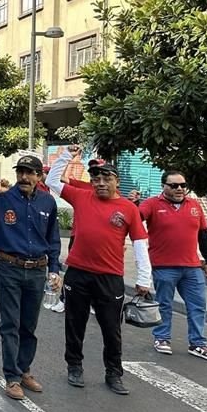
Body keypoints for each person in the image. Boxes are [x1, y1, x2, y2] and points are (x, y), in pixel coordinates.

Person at [47, 148, 152, 395]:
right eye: (96, 179)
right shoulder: (81, 196)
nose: (101, 183)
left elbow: (139, 243)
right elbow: (51, 180)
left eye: (107, 179)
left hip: (110, 278)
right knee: (75, 323)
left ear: (117, 181)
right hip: (78, 274)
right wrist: (67, 156)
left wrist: (144, 278)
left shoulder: (128, 209)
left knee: (111, 329)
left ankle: (113, 374)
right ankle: (74, 367)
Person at [0, 155, 61, 400]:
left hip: (38, 270)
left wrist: (54, 270)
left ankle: (24, 370)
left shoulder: (48, 202)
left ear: (40, 176)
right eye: (21, 172)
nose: (24, 177)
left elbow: (52, 239)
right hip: (10, 267)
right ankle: (12, 377)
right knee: (10, 324)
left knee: (29, 325)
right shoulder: (3, 198)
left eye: (30, 173)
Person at [138, 171, 207, 361]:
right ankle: (162, 338)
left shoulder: (194, 205)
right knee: (164, 304)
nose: (179, 189)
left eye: (182, 185)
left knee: (198, 306)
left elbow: (204, 235)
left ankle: (198, 343)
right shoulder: (152, 204)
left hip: (192, 267)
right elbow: (135, 220)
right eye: (174, 185)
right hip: (164, 267)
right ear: (163, 186)